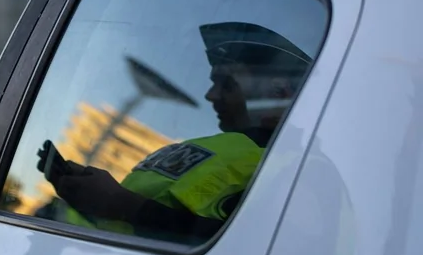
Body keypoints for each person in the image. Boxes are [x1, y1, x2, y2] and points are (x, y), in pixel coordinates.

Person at [41, 22, 312, 242]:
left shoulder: (301, 171)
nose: (210, 95)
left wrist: (121, 204)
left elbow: (252, 253)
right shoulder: (234, 149)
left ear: (280, 93)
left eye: (227, 85)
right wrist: (85, 195)